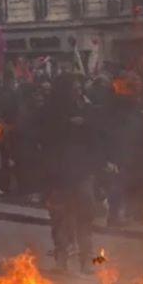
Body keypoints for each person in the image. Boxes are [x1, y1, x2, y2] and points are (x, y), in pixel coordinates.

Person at [41, 73, 101, 273]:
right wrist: (69, 124)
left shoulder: (86, 109)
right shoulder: (52, 111)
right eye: (74, 88)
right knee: (60, 219)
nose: (78, 91)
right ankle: (61, 260)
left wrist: (85, 122)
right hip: (60, 175)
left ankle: (87, 260)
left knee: (85, 216)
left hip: (82, 172)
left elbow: (96, 136)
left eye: (79, 88)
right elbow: (47, 137)